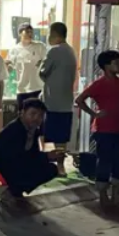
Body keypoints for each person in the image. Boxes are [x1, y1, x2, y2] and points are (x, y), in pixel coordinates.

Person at [76, 51, 119, 210]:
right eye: (116, 63)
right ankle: (103, 196)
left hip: (117, 128)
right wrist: (94, 114)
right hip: (103, 129)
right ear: (106, 66)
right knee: (104, 162)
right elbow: (79, 100)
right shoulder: (99, 83)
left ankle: (116, 197)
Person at [0, 98, 60, 200]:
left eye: (40, 116)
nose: (36, 118)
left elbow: (32, 154)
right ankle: (10, 189)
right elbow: (18, 157)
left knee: (51, 169)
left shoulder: (34, 130)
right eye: (33, 114)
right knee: (35, 167)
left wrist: (49, 156)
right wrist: (47, 156)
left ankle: (16, 189)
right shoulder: (15, 130)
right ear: (22, 113)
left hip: (15, 164)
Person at [38, 21, 77, 171]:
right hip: (66, 102)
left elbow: (43, 72)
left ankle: (47, 163)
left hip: (52, 101)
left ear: (54, 34)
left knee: (47, 134)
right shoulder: (71, 51)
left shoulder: (54, 51)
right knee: (62, 138)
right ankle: (61, 166)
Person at [8, 22, 46, 107]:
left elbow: (46, 62)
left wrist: (40, 64)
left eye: (31, 32)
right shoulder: (14, 50)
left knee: (37, 113)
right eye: (27, 32)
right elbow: (9, 67)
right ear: (20, 33)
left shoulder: (40, 47)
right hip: (22, 90)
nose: (30, 34)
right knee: (22, 112)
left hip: (37, 88)